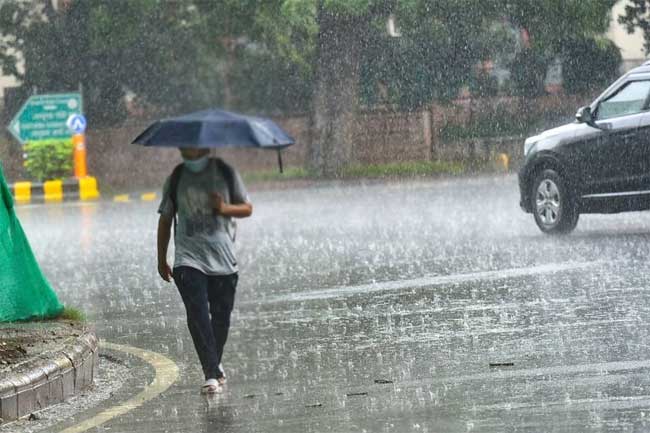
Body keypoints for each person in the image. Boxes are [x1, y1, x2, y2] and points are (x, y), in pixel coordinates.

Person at [157, 148, 252, 394]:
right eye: (183, 146)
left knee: (221, 319)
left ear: (205, 147)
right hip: (188, 260)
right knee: (197, 315)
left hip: (224, 261)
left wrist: (223, 208)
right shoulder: (176, 177)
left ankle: (214, 365)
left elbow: (247, 208)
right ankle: (210, 373)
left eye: (191, 145)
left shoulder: (226, 173)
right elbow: (165, 218)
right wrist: (161, 258)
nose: (185, 149)